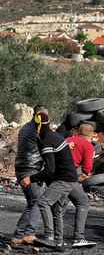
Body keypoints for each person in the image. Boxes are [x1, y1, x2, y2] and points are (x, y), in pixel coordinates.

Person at [31, 114, 79, 250]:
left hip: (63, 179)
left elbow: (50, 169)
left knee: (43, 202)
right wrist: (44, 177)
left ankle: (49, 237)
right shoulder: (54, 136)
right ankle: (58, 242)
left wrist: (33, 178)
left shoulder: (47, 139)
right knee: (57, 210)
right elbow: (53, 165)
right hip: (70, 178)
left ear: (38, 125)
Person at [12, 105, 48, 246]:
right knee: (37, 202)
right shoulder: (37, 130)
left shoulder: (25, 127)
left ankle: (20, 235)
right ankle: (25, 234)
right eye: (44, 116)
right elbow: (46, 146)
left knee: (32, 202)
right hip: (31, 169)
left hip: (21, 168)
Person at [66, 123, 97, 248]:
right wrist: (79, 179)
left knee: (60, 206)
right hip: (68, 176)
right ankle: (78, 237)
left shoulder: (68, 140)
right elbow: (87, 170)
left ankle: (52, 236)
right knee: (83, 202)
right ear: (91, 134)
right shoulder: (88, 145)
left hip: (55, 175)